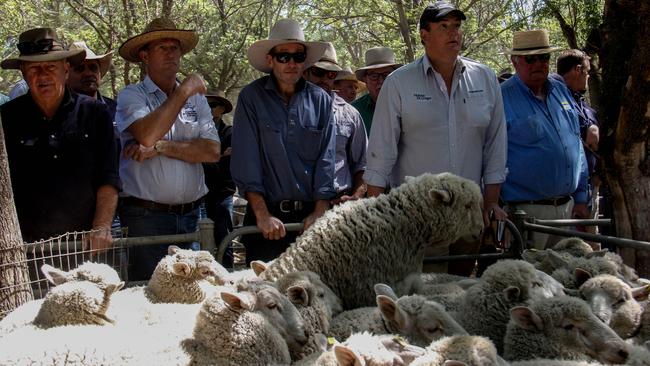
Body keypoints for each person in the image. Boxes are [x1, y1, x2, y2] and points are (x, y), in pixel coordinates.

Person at [363, 1, 507, 275]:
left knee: (461, 291)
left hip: (468, 212)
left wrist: (491, 203)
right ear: (424, 35)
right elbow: (381, 153)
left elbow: (495, 146)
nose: (454, 33)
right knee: (421, 298)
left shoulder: (485, 79)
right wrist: (376, 212)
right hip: (418, 214)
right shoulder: (398, 83)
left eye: (457, 26)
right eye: (444, 26)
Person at [116, 18, 220, 280]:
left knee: (195, 291)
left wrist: (161, 147)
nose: (172, 53)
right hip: (146, 218)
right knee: (148, 292)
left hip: (192, 215)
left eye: (175, 47)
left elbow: (211, 151)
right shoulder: (132, 95)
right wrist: (183, 91)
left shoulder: (197, 100)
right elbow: (147, 134)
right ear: (144, 55)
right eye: (163, 47)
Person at [0, 27, 119, 249]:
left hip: (85, 244)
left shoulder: (95, 114)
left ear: (66, 70)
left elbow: (108, 177)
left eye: (50, 67)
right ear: (24, 73)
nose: (43, 75)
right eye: (34, 68)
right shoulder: (6, 118)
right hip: (25, 247)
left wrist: (101, 227)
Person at [231, 19, 336, 264]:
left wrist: (320, 212)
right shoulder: (251, 97)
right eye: (283, 56)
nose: (291, 63)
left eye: (298, 56)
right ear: (270, 60)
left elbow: (327, 159)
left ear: (305, 61)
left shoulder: (321, 100)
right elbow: (247, 160)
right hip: (265, 221)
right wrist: (262, 214)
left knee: (315, 295)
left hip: (310, 221)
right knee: (266, 297)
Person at [501, 30, 589, 250]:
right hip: (526, 212)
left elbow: (576, 142)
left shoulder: (560, 89)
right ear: (515, 61)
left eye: (544, 57)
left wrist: (581, 197)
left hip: (568, 208)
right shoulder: (501, 97)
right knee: (531, 279)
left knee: (567, 277)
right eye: (530, 58)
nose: (538, 63)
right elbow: (489, 155)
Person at [303, 43, 367, 204]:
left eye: (331, 75)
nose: (324, 79)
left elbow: (364, 163)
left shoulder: (350, 114)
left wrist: (356, 196)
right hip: (297, 206)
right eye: (319, 72)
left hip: (337, 204)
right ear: (306, 72)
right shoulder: (286, 109)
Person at [551, 49, 601, 242]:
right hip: (566, 194)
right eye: (587, 73)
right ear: (578, 70)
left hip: (587, 189)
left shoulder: (581, 102)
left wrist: (593, 125)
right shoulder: (554, 96)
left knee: (591, 244)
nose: (587, 78)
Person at [202, 89, 236, 266]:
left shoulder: (230, 133)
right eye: (204, 104)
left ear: (222, 109)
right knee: (200, 243)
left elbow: (227, 167)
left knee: (225, 241)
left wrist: (201, 158)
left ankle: (229, 276)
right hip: (199, 196)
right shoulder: (195, 132)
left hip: (222, 195)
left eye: (212, 105)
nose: (207, 108)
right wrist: (218, 157)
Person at [351, 47, 401, 133]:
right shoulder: (354, 111)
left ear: (396, 77)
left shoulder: (409, 106)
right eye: (374, 76)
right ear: (365, 80)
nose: (381, 81)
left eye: (386, 75)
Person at [67, 41, 116, 120]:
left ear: (99, 73)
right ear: (66, 75)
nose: (88, 73)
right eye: (80, 68)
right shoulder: (59, 112)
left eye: (93, 68)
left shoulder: (116, 109)